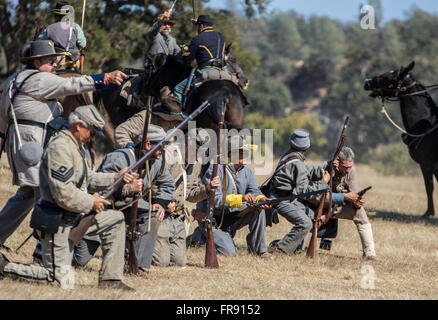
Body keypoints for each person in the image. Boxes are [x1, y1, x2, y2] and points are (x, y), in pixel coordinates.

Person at [0, 40, 127, 249]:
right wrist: (105, 78)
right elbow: (71, 85)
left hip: (20, 142)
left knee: (27, 194)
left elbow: (2, 119)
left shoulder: (14, 79)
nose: (54, 66)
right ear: (37, 61)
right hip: (34, 141)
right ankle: (46, 247)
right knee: (47, 193)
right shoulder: (41, 79)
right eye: (50, 61)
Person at [0, 105, 135, 291]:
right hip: (58, 221)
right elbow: (62, 193)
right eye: (91, 131)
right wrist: (91, 202)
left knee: (115, 219)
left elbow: (89, 178)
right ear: (79, 126)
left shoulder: (76, 146)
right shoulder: (60, 148)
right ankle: (5, 268)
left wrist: (115, 177)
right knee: (58, 281)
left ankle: (111, 280)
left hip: (75, 215)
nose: (93, 137)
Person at [73, 124, 175, 273]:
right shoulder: (118, 158)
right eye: (161, 145)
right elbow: (101, 189)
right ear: (148, 145)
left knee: (152, 214)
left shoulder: (158, 162)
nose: (164, 149)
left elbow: (168, 183)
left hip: (133, 207)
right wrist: (128, 189)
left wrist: (160, 203)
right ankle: (46, 251)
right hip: (106, 210)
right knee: (79, 260)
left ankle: (138, 266)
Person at [191, 136, 270, 256]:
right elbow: (216, 200)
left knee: (258, 209)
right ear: (231, 154)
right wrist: (242, 198)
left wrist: (261, 199)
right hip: (213, 218)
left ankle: (259, 250)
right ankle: (198, 237)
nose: (246, 154)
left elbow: (254, 191)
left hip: (231, 215)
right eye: (242, 152)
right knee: (229, 252)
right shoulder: (217, 169)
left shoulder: (246, 171)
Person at [152, 135, 220, 267]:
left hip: (178, 217)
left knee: (179, 263)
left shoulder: (196, 163)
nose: (198, 153)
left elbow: (190, 194)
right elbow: (152, 184)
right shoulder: (169, 155)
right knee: (161, 262)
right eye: (195, 148)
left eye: (201, 151)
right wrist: (164, 201)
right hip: (161, 215)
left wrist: (208, 188)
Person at [266, 129, 331, 255]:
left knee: (311, 216)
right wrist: (323, 182)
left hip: (280, 196)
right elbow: (304, 191)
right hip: (279, 200)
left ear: (291, 143)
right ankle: (281, 249)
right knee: (305, 223)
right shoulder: (297, 163)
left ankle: (295, 248)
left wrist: (327, 165)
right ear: (308, 146)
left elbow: (308, 170)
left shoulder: (290, 155)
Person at [328, 146, 377, 260]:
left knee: (359, 212)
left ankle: (369, 253)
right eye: (345, 167)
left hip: (337, 205)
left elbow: (353, 191)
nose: (348, 170)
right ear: (336, 163)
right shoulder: (327, 169)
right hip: (322, 205)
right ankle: (298, 245)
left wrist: (357, 201)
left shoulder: (351, 171)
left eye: (350, 167)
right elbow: (319, 197)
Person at [173, 15, 227, 102]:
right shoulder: (221, 37)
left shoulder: (197, 39)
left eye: (198, 26)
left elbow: (187, 61)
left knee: (178, 89)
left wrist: (185, 51)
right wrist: (197, 23)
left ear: (201, 26)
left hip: (206, 72)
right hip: (223, 71)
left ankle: (179, 115)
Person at [38, 1, 87, 70]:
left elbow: (38, 43)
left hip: (54, 62)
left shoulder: (49, 28)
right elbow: (83, 45)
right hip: (72, 62)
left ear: (56, 16)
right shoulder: (75, 27)